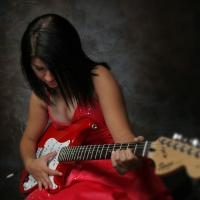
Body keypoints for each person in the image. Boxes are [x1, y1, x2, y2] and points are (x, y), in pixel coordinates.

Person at [19, 13, 172, 200]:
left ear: (70, 57)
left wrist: (127, 153)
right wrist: (30, 163)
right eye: (40, 69)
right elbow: (28, 138)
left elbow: (123, 135)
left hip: (108, 172)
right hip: (65, 175)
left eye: (56, 67)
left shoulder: (98, 78)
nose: (49, 78)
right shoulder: (40, 95)